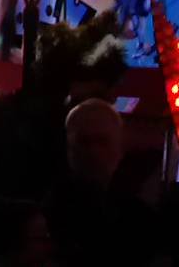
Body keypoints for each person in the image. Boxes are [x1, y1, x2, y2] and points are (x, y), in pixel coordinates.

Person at [48, 101, 152, 267]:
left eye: (102, 141)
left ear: (120, 149)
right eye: (84, 142)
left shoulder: (140, 218)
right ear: (69, 148)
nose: (93, 152)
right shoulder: (48, 213)